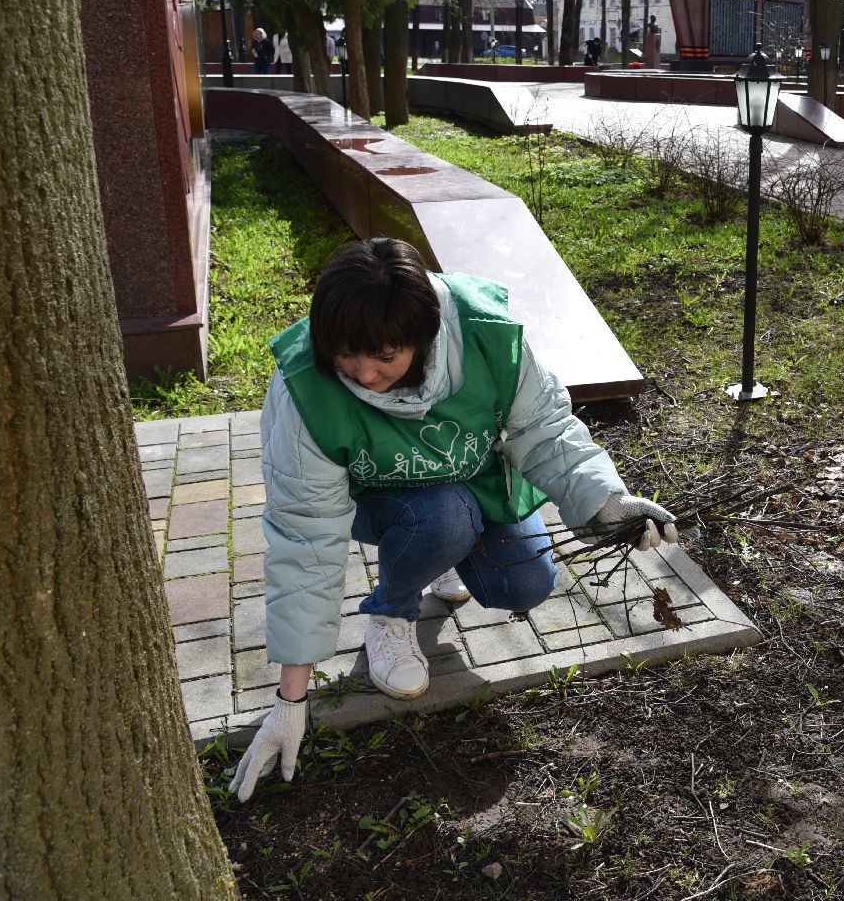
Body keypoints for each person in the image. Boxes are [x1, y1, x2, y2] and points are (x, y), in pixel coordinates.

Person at [228, 238, 678, 801]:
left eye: (385, 357)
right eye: (346, 355)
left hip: (472, 481)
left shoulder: (487, 335)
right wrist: (289, 703)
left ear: (425, 336)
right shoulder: (303, 391)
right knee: (442, 515)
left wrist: (608, 506)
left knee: (527, 582)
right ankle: (391, 612)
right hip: (386, 504)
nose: (364, 374)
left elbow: (547, 432)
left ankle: (441, 555)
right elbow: (305, 536)